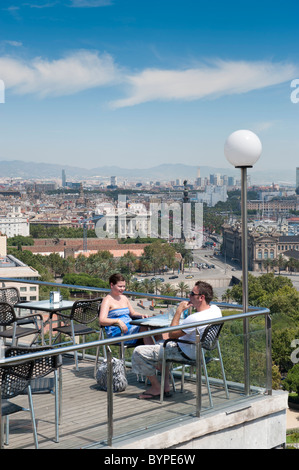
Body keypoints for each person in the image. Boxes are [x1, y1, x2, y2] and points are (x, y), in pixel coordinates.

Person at [131, 281, 222, 399]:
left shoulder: (194, 318)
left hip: (184, 352)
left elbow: (173, 333)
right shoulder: (215, 310)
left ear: (201, 297)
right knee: (158, 336)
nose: (189, 296)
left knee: (138, 352)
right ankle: (165, 384)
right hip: (200, 350)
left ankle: (156, 387)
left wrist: (179, 311)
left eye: (192, 294)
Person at [99, 273, 151, 346]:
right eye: (120, 286)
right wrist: (118, 321)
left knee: (154, 327)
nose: (122, 289)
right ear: (112, 285)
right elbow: (102, 320)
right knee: (144, 327)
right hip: (117, 330)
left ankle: (161, 351)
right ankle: (152, 353)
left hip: (129, 326)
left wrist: (142, 315)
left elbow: (132, 313)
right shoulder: (107, 300)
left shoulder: (124, 298)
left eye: (124, 286)